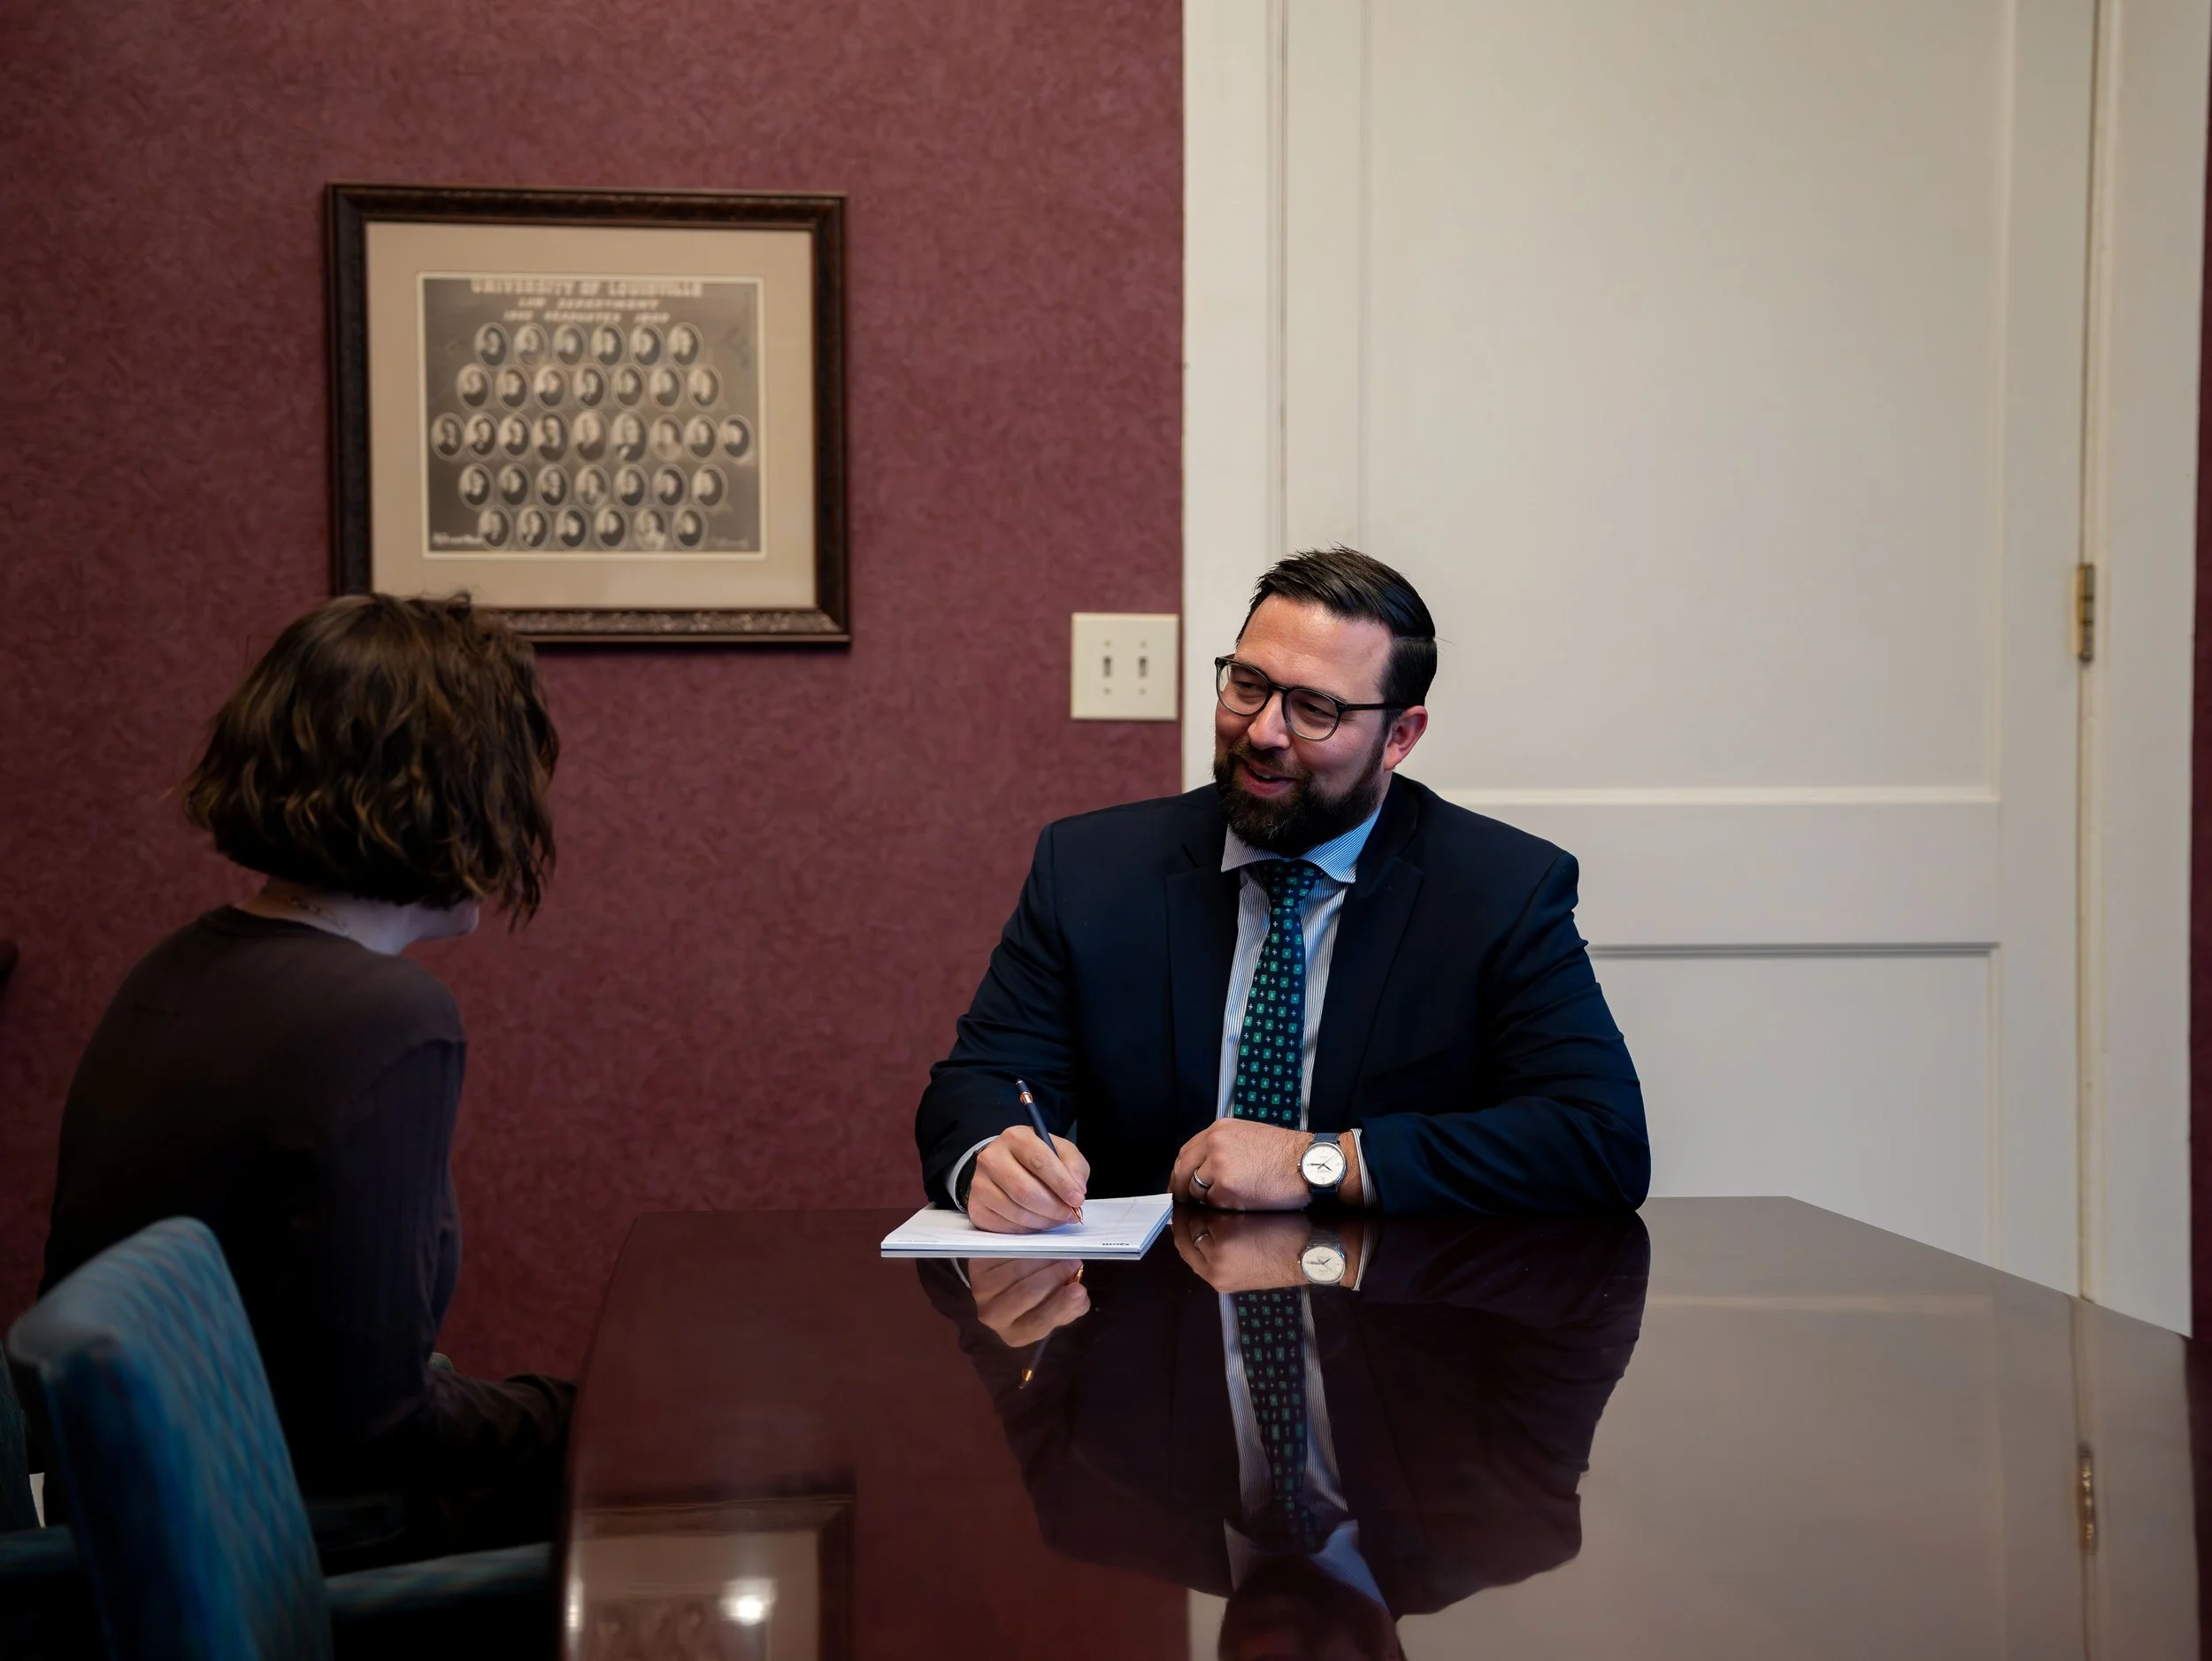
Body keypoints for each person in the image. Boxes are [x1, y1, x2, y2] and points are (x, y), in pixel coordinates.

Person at [33, 594, 571, 1557]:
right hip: (271, 1536)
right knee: (689, 1485)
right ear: (457, 791)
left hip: (150, 1518)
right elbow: (374, 1426)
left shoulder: (182, 963)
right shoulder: (383, 1017)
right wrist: (586, 1403)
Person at [916, 547, 1647, 1231]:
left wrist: (1322, 1163)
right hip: (1145, 1318)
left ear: (1400, 736)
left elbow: (1598, 1137)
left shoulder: (1502, 889)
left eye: (1314, 709)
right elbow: (980, 1083)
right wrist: (990, 1158)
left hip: (1395, 1323)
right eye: (1248, 684)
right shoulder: (1090, 868)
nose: (1263, 730)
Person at [924, 1208, 1647, 1656]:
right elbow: (1580, 1308)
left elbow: (997, 1339)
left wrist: (1016, 1287)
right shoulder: (1509, 1525)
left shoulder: (1090, 1512)